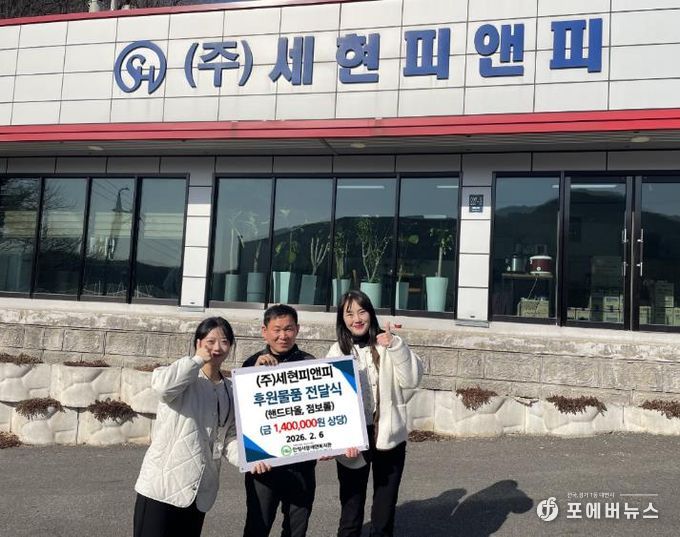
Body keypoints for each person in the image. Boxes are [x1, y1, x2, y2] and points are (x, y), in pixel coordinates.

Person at [327, 290, 423, 537]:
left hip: (388, 434)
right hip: (353, 438)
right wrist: (338, 440)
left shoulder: (388, 343)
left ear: (370, 313)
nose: (357, 319)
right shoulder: (336, 351)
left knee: (384, 508)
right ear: (342, 319)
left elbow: (412, 380)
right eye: (349, 314)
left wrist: (396, 345)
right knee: (351, 508)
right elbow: (330, 402)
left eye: (362, 311)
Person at [133, 316, 238, 537]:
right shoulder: (182, 376)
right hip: (162, 488)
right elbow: (163, 389)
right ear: (198, 343)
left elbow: (228, 437)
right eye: (210, 341)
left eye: (224, 342)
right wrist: (196, 360)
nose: (217, 348)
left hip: (199, 492)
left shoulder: (229, 389)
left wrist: (252, 459)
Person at [242, 304, 317, 537]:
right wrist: (255, 374)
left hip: (301, 464)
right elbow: (242, 414)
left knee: (296, 529)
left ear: (297, 330)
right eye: (276, 330)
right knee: (257, 525)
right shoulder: (251, 364)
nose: (283, 336)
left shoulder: (311, 364)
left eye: (288, 329)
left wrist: (332, 444)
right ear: (264, 331)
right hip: (263, 464)